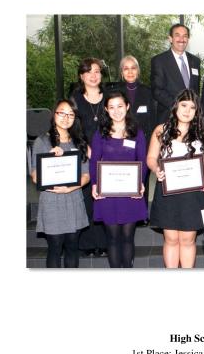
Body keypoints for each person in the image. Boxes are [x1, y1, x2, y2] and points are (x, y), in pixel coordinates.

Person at [147, 89, 204, 268]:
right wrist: (156, 169)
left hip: (193, 193)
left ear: (197, 111)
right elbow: (151, 158)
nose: (187, 111)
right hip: (168, 190)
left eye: (192, 107)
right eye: (184, 105)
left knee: (187, 239)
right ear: (176, 106)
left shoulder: (202, 131)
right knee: (171, 238)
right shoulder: (161, 130)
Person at [90, 91, 148, 268]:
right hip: (108, 194)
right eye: (112, 107)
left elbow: (143, 161)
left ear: (127, 106)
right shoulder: (100, 133)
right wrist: (94, 184)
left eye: (120, 106)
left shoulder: (137, 133)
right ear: (106, 110)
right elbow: (94, 162)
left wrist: (140, 183)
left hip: (130, 193)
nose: (116, 111)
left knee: (128, 237)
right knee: (113, 238)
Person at [30, 99, 90, 268]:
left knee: (72, 247)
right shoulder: (42, 141)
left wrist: (70, 188)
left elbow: (86, 175)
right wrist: (49, 158)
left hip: (74, 199)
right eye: (62, 113)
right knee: (55, 248)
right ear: (54, 115)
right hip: (51, 201)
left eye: (70, 114)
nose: (66, 118)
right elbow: (35, 176)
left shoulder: (79, 141)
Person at [70, 57, 108, 257]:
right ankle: (87, 244)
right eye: (88, 72)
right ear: (81, 76)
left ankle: (105, 243)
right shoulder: (75, 99)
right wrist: (87, 148)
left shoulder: (109, 97)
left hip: (108, 155)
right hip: (84, 154)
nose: (93, 75)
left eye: (97, 71)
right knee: (87, 199)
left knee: (105, 198)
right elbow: (72, 128)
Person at [116, 55, 155, 207]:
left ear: (138, 71)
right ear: (121, 72)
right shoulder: (114, 92)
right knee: (123, 178)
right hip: (119, 143)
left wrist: (151, 145)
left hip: (142, 144)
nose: (130, 72)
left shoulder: (148, 92)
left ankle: (142, 212)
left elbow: (152, 120)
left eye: (133, 68)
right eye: (126, 68)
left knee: (142, 179)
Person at [151, 23, 201, 124]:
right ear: (170, 39)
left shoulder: (195, 61)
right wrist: (179, 107)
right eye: (177, 35)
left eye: (185, 36)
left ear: (188, 39)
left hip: (191, 118)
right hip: (169, 117)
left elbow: (196, 90)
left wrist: (192, 109)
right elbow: (157, 91)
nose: (181, 39)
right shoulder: (159, 60)